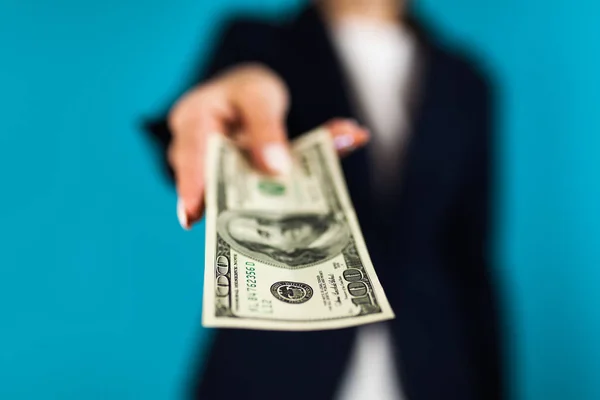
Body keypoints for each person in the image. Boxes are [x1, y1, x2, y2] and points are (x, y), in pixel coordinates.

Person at [146, 0, 503, 399]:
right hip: (278, 364)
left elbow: (471, 257)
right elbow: (209, 119)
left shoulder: (467, 81)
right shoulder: (256, 42)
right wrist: (224, 107)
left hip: (435, 368)